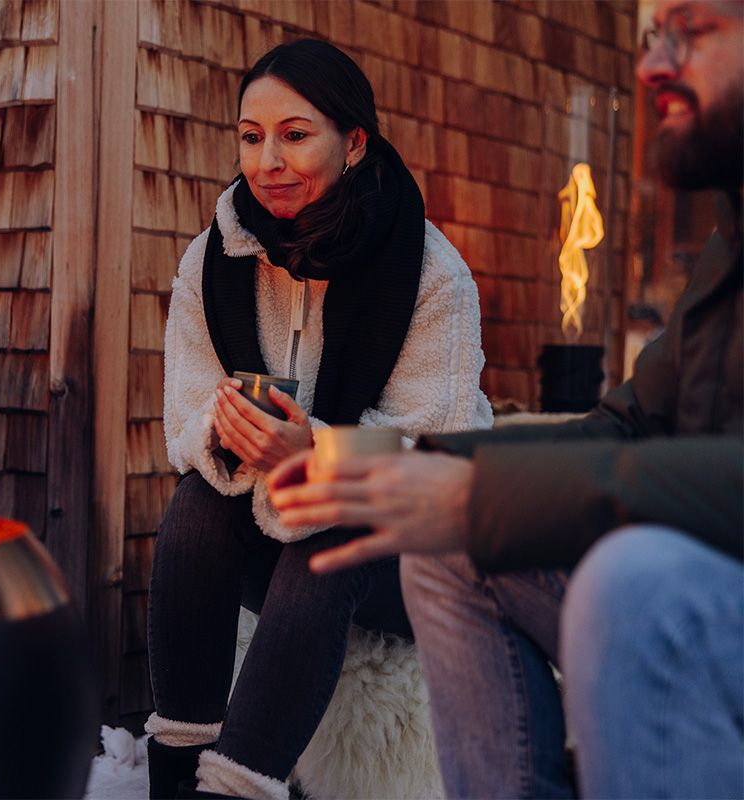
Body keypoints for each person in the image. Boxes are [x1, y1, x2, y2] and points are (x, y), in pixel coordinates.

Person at [269, 2, 743, 797]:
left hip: (689, 599)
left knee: (635, 581)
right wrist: (400, 466)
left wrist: (487, 492)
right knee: (451, 544)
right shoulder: (730, 244)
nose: (654, 64)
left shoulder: (431, 270)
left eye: (690, 31)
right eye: (651, 35)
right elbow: (626, 426)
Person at [146, 39, 492, 799]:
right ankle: (174, 776)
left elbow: (444, 451)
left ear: (354, 143)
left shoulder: (432, 274)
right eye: (251, 135)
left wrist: (318, 451)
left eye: (295, 135)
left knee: (330, 518)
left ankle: (236, 790)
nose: (267, 159)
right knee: (196, 508)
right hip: (270, 526)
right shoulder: (214, 259)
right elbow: (186, 417)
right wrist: (231, 432)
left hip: (414, 551)